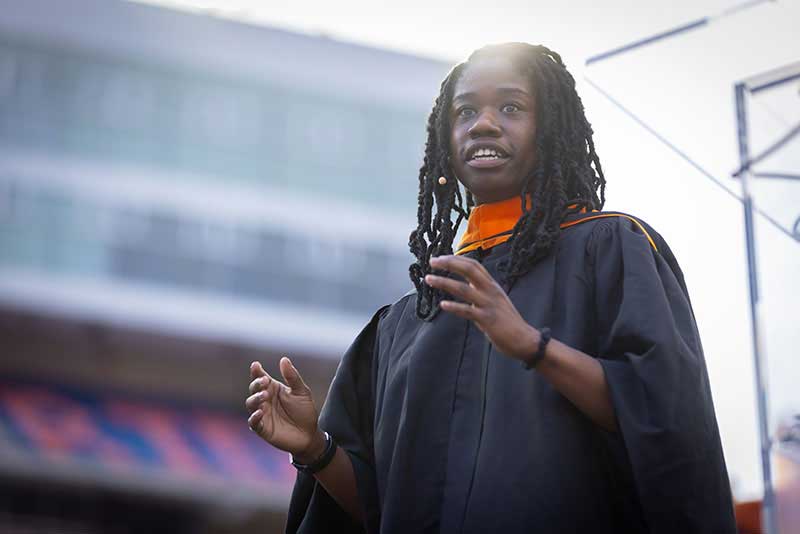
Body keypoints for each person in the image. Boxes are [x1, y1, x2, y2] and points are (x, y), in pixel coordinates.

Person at [244, 42, 738, 533]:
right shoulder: (406, 322)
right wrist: (315, 449)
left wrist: (531, 346)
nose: (482, 124)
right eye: (465, 111)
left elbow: (666, 427)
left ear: (550, 129)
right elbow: (385, 511)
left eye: (511, 107)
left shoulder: (610, 250)